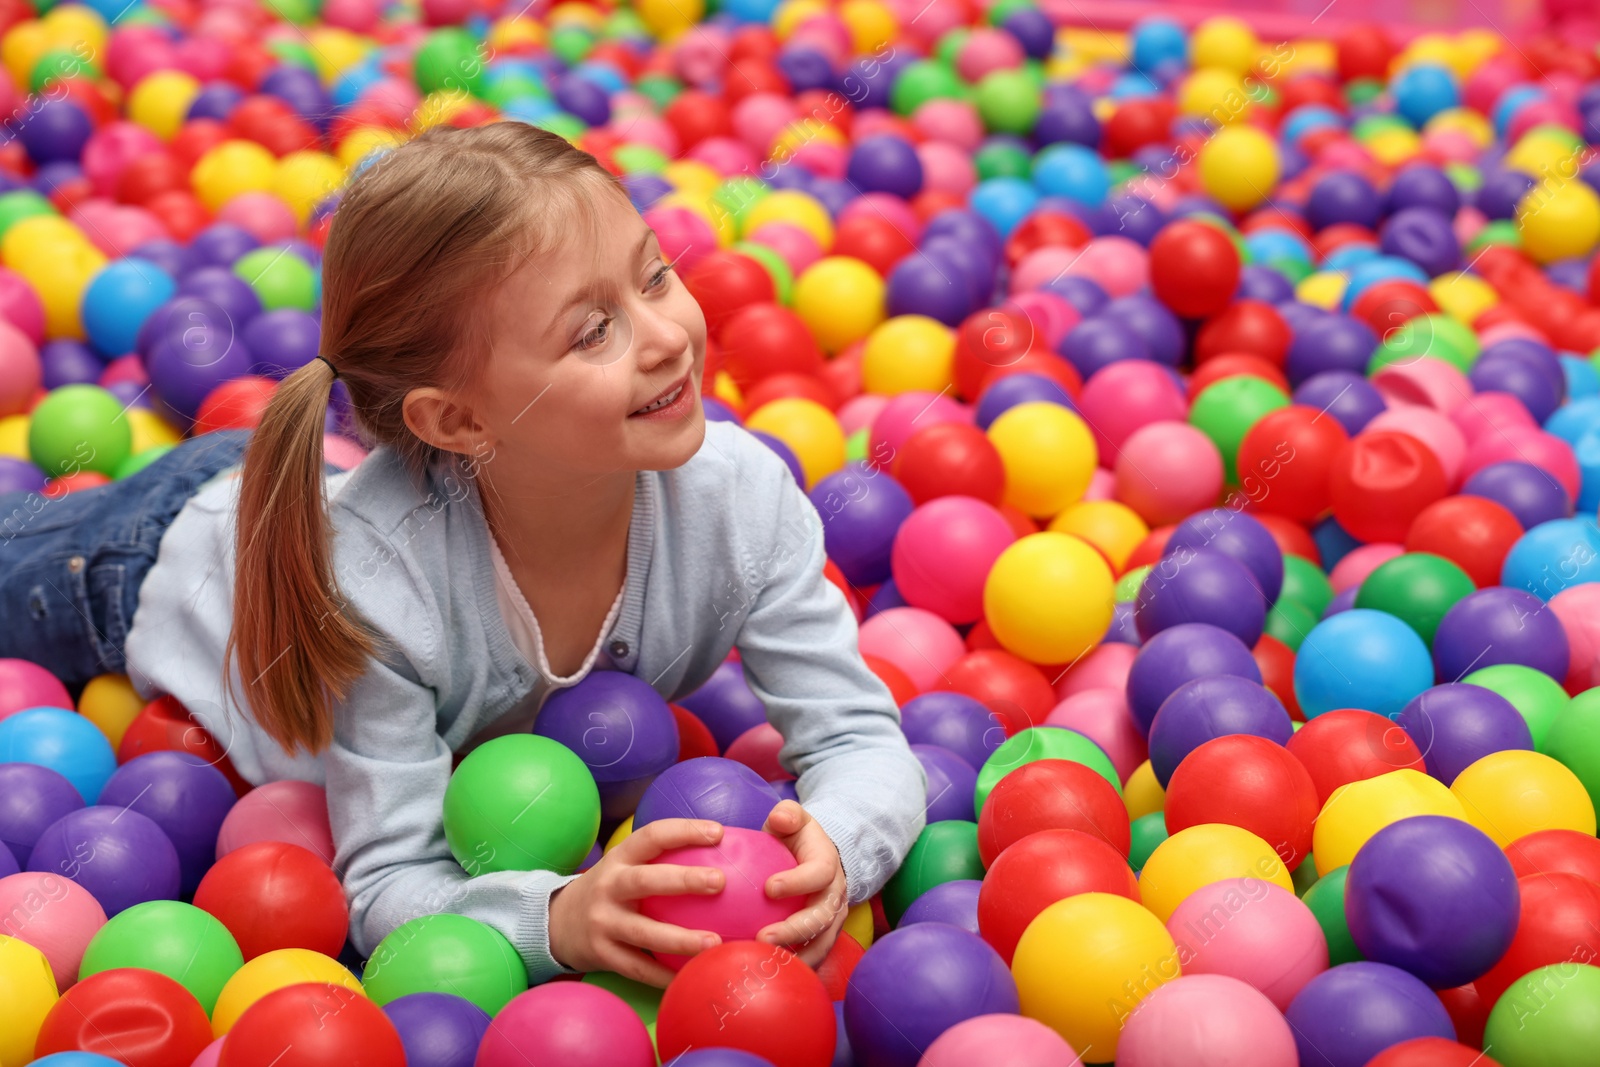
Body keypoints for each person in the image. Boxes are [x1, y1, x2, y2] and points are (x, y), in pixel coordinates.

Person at [0, 121, 926, 988]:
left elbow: (859, 735)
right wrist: (558, 917)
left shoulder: (740, 500)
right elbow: (387, 881)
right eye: (592, 331)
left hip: (327, 492)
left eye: (653, 276)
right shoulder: (375, 588)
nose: (668, 336)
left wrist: (836, 850)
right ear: (459, 420)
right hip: (140, 560)